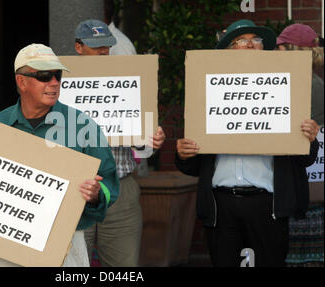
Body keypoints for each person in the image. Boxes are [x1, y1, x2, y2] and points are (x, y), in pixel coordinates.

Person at [0, 43, 120, 267]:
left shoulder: (82, 126)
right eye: (44, 76)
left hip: (65, 246)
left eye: (57, 75)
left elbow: (109, 183)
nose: (54, 83)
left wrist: (96, 193)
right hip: (7, 244)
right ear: (21, 81)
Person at [175, 19, 320, 267]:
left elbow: (304, 159)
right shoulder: (208, 90)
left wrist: (309, 137)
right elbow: (192, 165)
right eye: (242, 40)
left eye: (257, 40)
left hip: (268, 205)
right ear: (227, 50)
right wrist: (184, 153)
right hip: (221, 206)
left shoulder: (285, 86)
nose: (251, 45)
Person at [75, 19, 166, 267]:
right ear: (78, 47)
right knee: (73, 267)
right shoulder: (59, 84)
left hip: (121, 187)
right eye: (96, 46)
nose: (104, 51)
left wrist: (151, 138)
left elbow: (145, 149)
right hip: (75, 191)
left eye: (107, 45)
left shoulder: (131, 83)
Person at [276, 23, 324, 267]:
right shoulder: (303, 81)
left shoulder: (310, 85)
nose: (276, 52)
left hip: (307, 185)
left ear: (295, 49)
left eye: (281, 47)